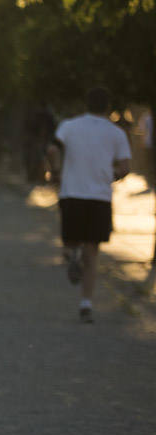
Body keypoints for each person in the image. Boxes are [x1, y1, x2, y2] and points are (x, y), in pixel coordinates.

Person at [46, 87, 132, 323]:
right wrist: (110, 176)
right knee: (92, 251)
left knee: (70, 240)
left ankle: (72, 255)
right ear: (107, 107)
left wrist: (55, 171)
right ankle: (86, 304)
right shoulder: (116, 133)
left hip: (72, 192)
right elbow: (125, 167)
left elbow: (52, 149)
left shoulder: (69, 126)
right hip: (99, 197)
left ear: (86, 104)